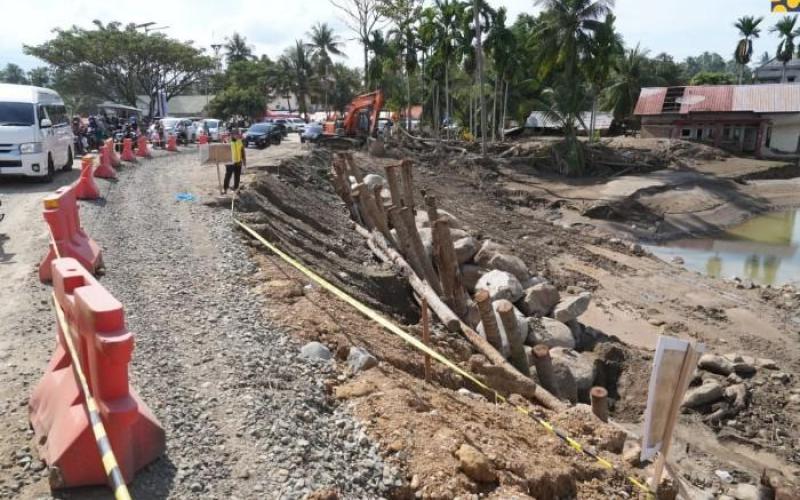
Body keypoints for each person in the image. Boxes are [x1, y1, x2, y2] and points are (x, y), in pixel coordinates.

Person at [223, 129, 246, 194]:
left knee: (237, 176)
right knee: (228, 176)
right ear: (232, 135)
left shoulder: (240, 141)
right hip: (230, 162)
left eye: (238, 135)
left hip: (238, 162)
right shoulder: (227, 141)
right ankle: (225, 189)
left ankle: (236, 188)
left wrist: (244, 162)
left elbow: (242, 152)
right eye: (236, 134)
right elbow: (223, 151)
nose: (238, 136)